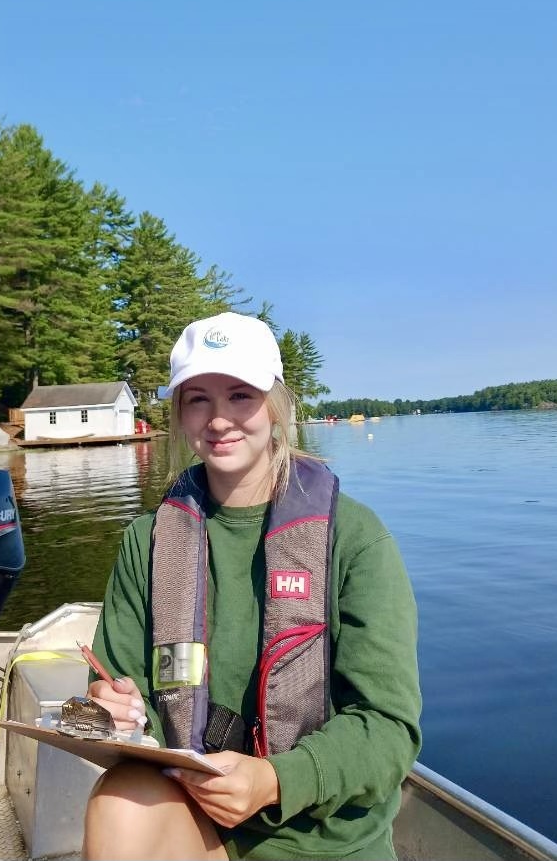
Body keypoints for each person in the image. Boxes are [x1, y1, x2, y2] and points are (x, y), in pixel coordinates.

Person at [82, 312, 421, 861]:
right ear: (179, 413)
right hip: (195, 817)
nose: (218, 420)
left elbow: (389, 730)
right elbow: (120, 685)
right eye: (198, 399)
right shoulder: (144, 542)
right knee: (118, 801)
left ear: (277, 407)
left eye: (240, 395)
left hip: (320, 841)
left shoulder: (357, 540)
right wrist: (116, 708)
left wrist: (274, 780)